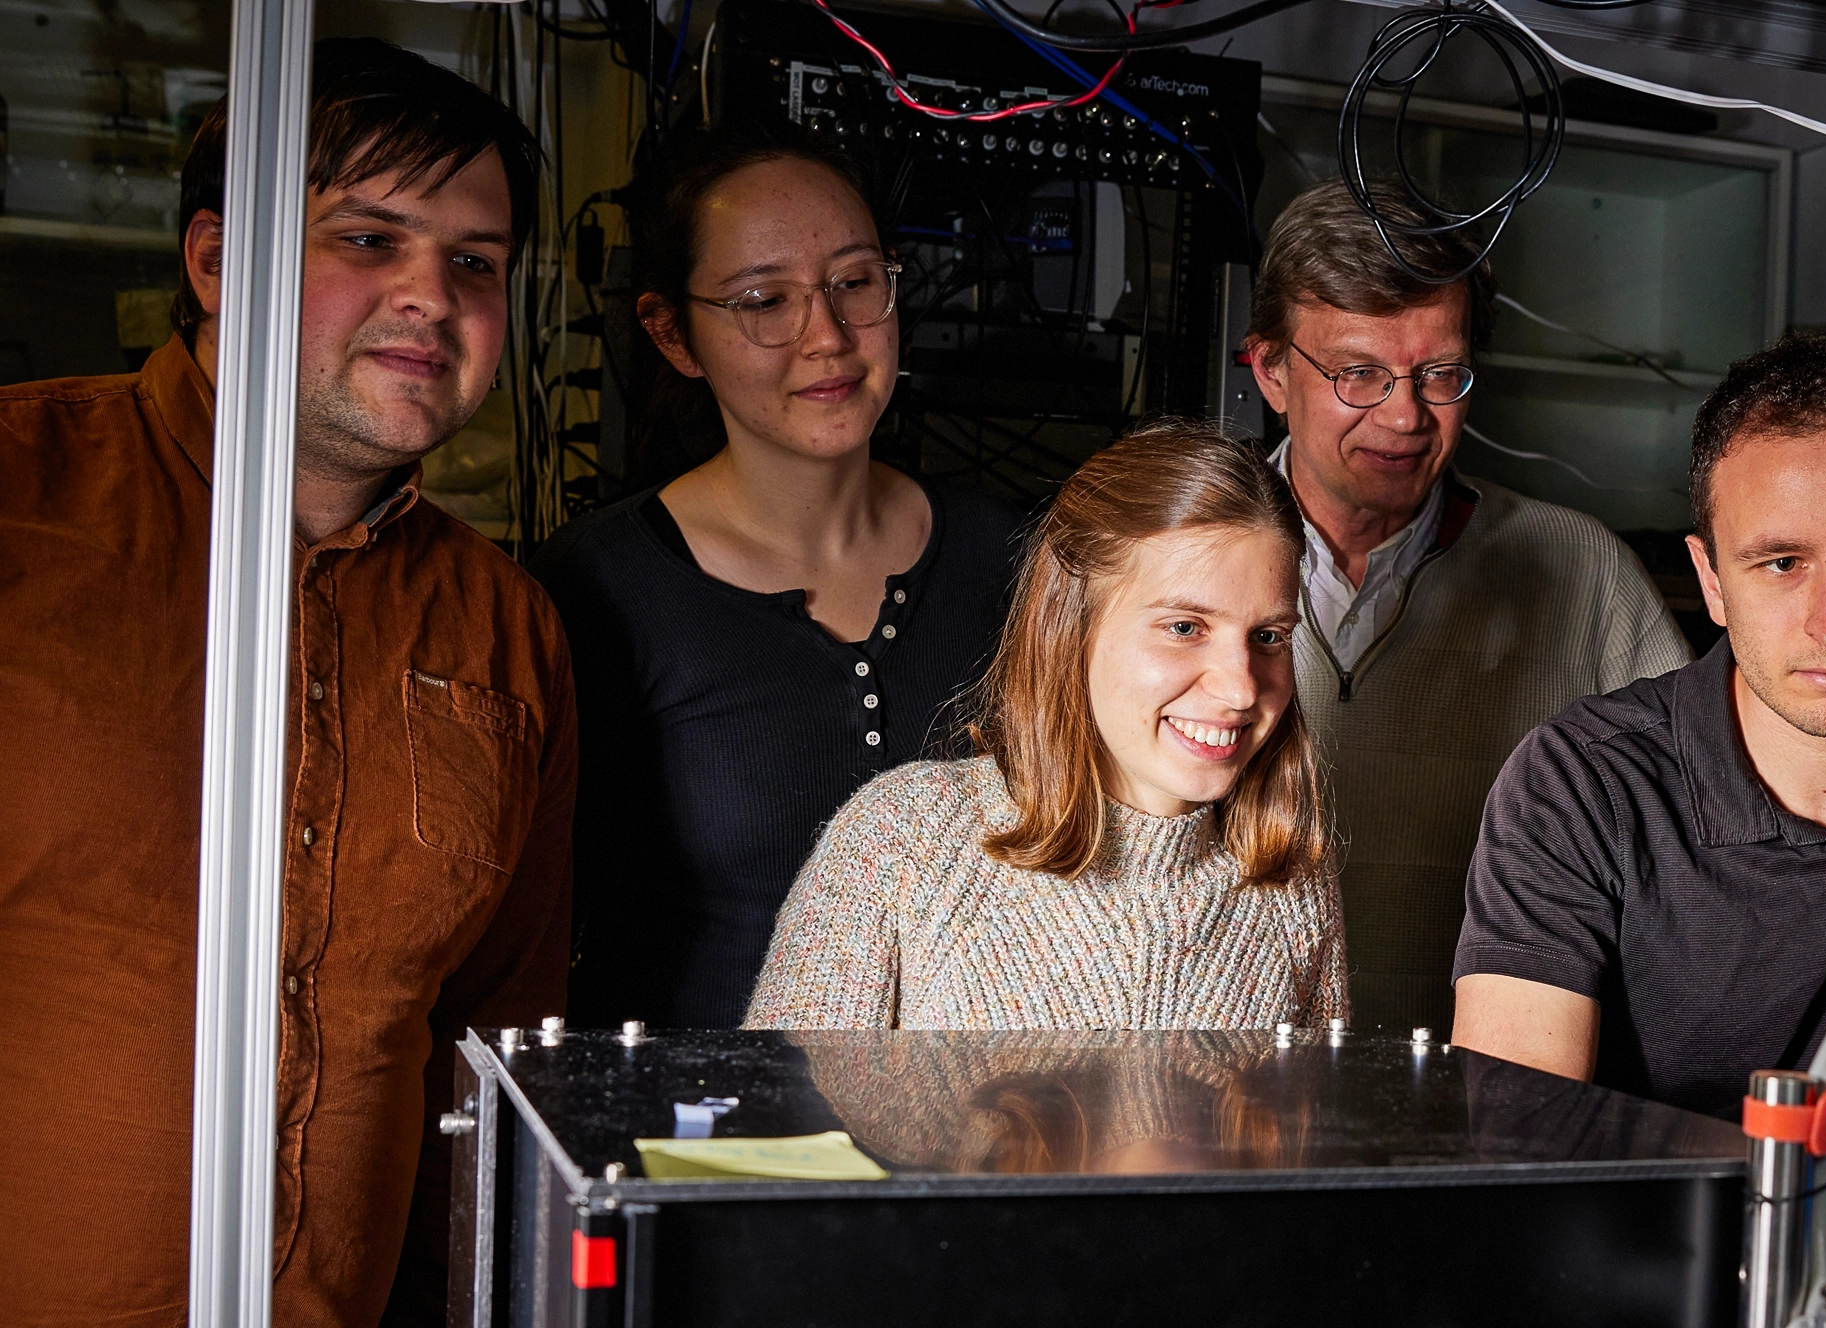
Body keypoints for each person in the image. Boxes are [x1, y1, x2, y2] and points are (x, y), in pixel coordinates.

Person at [0, 38, 572, 1328]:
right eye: (369, 239)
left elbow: (492, 1071)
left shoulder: (507, 629)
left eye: (475, 262)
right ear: (216, 262)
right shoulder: (19, 499)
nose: (431, 294)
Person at [532, 121, 1022, 1030]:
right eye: (765, 300)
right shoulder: (594, 589)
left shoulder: (1015, 558)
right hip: (691, 1144)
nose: (827, 336)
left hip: (955, 1142)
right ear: (673, 334)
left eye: (854, 283)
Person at [1449, 334, 1826, 1162]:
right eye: (1780, 563)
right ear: (1711, 582)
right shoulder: (1582, 788)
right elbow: (1515, 1165)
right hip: (1668, 1282)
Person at [1247, 179, 1692, 1037]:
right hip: (1229, 1103)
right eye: (1359, 373)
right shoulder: (1173, 571)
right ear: (1271, 370)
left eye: (1439, 374)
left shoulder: (1583, 570)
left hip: (1484, 1094)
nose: (1406, 415)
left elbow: (1684, 859)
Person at [743, 422, 1347, 1030]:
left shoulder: (1293, 883)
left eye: (1268, 637)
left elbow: (1316, 1125)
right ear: (1071, 624)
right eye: (1184, 628)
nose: (1241, 688)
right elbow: (779, 1117)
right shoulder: (902, 841)